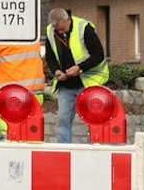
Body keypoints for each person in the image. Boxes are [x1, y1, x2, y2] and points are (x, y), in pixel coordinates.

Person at [42, 8, 108, 144]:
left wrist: (80, 68)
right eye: (57, 30)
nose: (60, 32)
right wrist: (56, 71)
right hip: (66, 84)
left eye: (62, 29)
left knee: (93, 119)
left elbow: (98, 55)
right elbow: (50, 57)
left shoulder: (84, 28)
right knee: (62, 120)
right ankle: (64, 151)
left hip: (88, 82)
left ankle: (94, 148)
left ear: (67, 20)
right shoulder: (50, 31)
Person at [0, 40, 45, 139]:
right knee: (32, 135)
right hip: (35, 92)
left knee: (11, 134)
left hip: (10, 96)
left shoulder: (0, 38)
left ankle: (13, 154)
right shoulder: (31, 37)